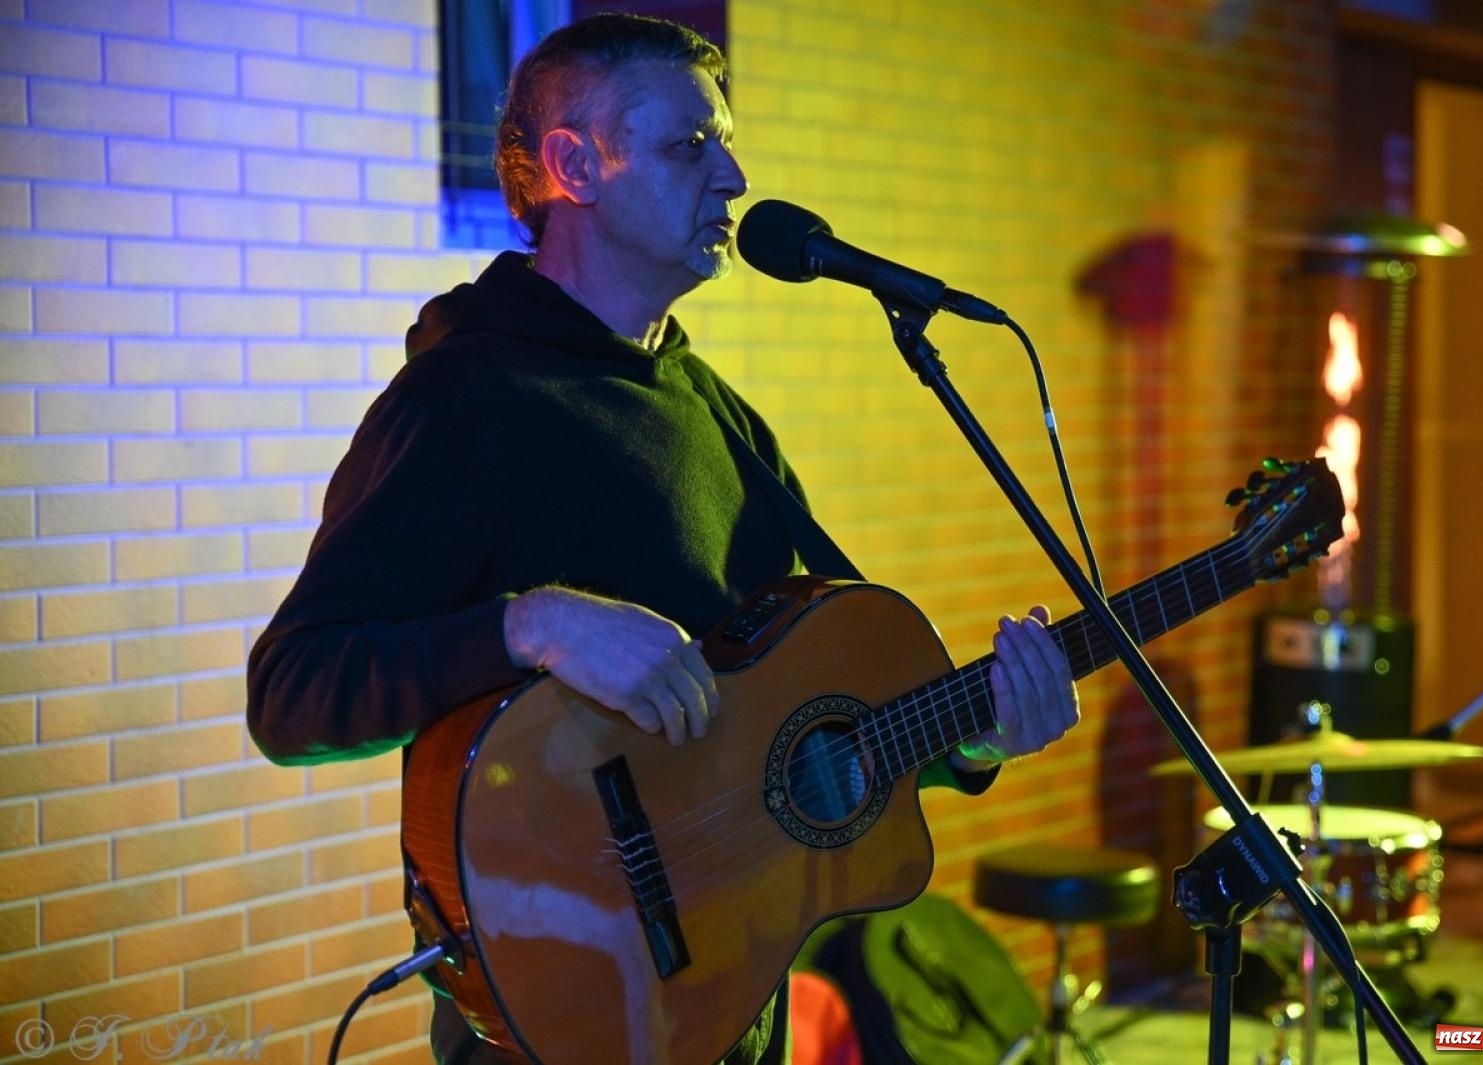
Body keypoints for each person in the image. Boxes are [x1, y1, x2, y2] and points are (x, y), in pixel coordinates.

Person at [246, 13, 1081, 1064]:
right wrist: (531, 624)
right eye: (692, 144)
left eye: (726, 142)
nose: (732, 176)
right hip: (558, 1025)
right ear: (573, 165)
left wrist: (973, 736)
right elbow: (291, 695)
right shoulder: (463, 401)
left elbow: (830, 699)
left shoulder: (716, 413)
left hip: (733, 1005)